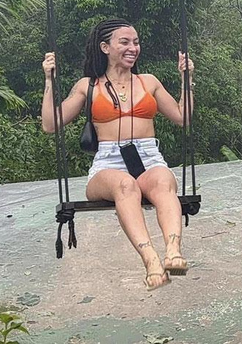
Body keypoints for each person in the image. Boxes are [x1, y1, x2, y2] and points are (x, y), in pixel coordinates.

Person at [41, 18, 194, 291]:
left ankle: (173, 251)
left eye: (135, 42)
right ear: (105, 47)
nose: (132, 48)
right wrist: (49, 81)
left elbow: (183, 118)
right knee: (126, 185)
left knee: (162, 181)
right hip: (108, 162)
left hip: (148, 155)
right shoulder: (88, 86)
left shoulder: (149, 82)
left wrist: (187, 80)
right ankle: (151, 260)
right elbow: (50, 125)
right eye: (124, 42)